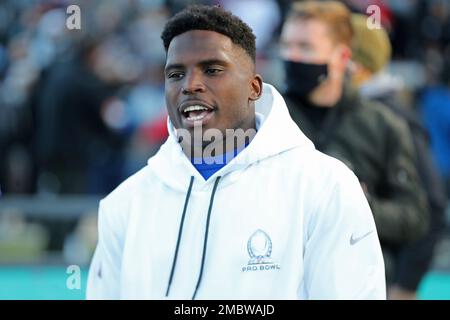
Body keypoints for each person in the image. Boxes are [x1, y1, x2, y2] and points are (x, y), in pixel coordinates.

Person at [87, 5, 385, 299]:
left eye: (212, 70)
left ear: (254, 88)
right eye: (176, 74)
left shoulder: (324, 186)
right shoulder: (125, 204)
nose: (191, 85)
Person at [280, 1, 429, 271]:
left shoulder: (383, 125)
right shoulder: (266, 118)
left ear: (342, 57)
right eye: (286, 45)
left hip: (355, 278)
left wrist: (362, 205)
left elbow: (415, 217)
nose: (292, 56)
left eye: (305, 47)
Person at [350, 13, 447, 299]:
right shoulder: (348, 113)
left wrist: (406, 285)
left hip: (383, 278)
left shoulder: (394, 118)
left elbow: (433, 207)